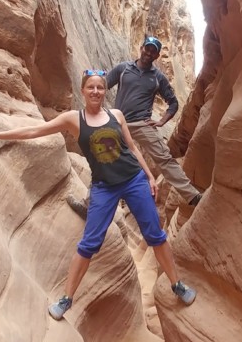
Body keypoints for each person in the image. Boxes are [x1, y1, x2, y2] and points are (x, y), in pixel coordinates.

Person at [0, 69, 198, 320]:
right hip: (103, 188)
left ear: (104, 90)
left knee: (155, 235)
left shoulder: (116, 115)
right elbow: (35, 131)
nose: (96, 91)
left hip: (133, 181)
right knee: (88, 244)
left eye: (100, 87)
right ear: (83, 90)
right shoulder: (73, 119)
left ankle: (177, 284)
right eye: (91, 87)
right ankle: (66, 299)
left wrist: (150, 176)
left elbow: (131, 147)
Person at [65, 35, 202, 218]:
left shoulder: (157, 77)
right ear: (142, 48)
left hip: (142, 124)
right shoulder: (124, 68)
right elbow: (102, 84)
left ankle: (192, 196)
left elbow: (173, 103)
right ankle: (89, 205)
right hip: (118, 122)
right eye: (147, 48)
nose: (149, 52)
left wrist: (161, 121)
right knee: (104, 160)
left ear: (157, 55)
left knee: (164, 158)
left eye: (153, 51)